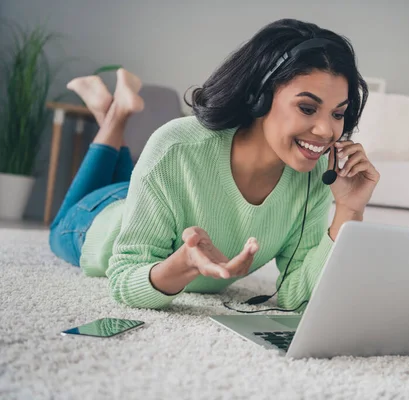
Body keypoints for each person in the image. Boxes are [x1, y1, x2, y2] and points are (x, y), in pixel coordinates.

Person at [49, 18, 380, 311]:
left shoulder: (313, 176)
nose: (326, 131)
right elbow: (123, 280)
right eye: (308, 108)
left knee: (130, 175)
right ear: (260, 95)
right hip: (97, 221)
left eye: (338, 114)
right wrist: (181, 265)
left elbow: (298, 297)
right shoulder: (176, 146)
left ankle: (110, 110)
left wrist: (348, 210)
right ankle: (114, 115)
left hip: (150, 196)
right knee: (59, 223)